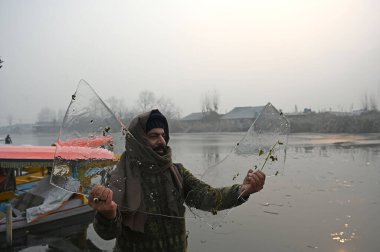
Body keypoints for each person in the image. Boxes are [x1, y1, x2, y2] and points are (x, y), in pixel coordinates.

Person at [89, 109, 266, 252]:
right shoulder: (118, 178)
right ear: (138, 140)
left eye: (163, 135)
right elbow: (107, 233)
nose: (161, 141)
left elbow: (208, 197)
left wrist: (243, 190)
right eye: (153, 136)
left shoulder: (177, 172)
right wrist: (108, 214)